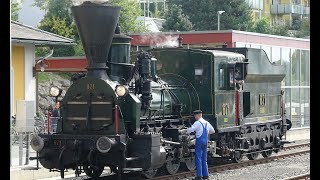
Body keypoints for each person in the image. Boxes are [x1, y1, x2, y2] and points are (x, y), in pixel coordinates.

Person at [187, 110, 215, 180]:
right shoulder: (207, 123)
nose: (194, 117)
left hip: (199, 141)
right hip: (205, 141)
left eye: (195, 115)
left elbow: (190, 130)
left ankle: (199, 176)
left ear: (198, 115)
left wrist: (186, 130)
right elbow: (213, 131)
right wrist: (206, 133)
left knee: (198, 158)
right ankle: (206, 175)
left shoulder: (197, 123)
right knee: (204, 159)